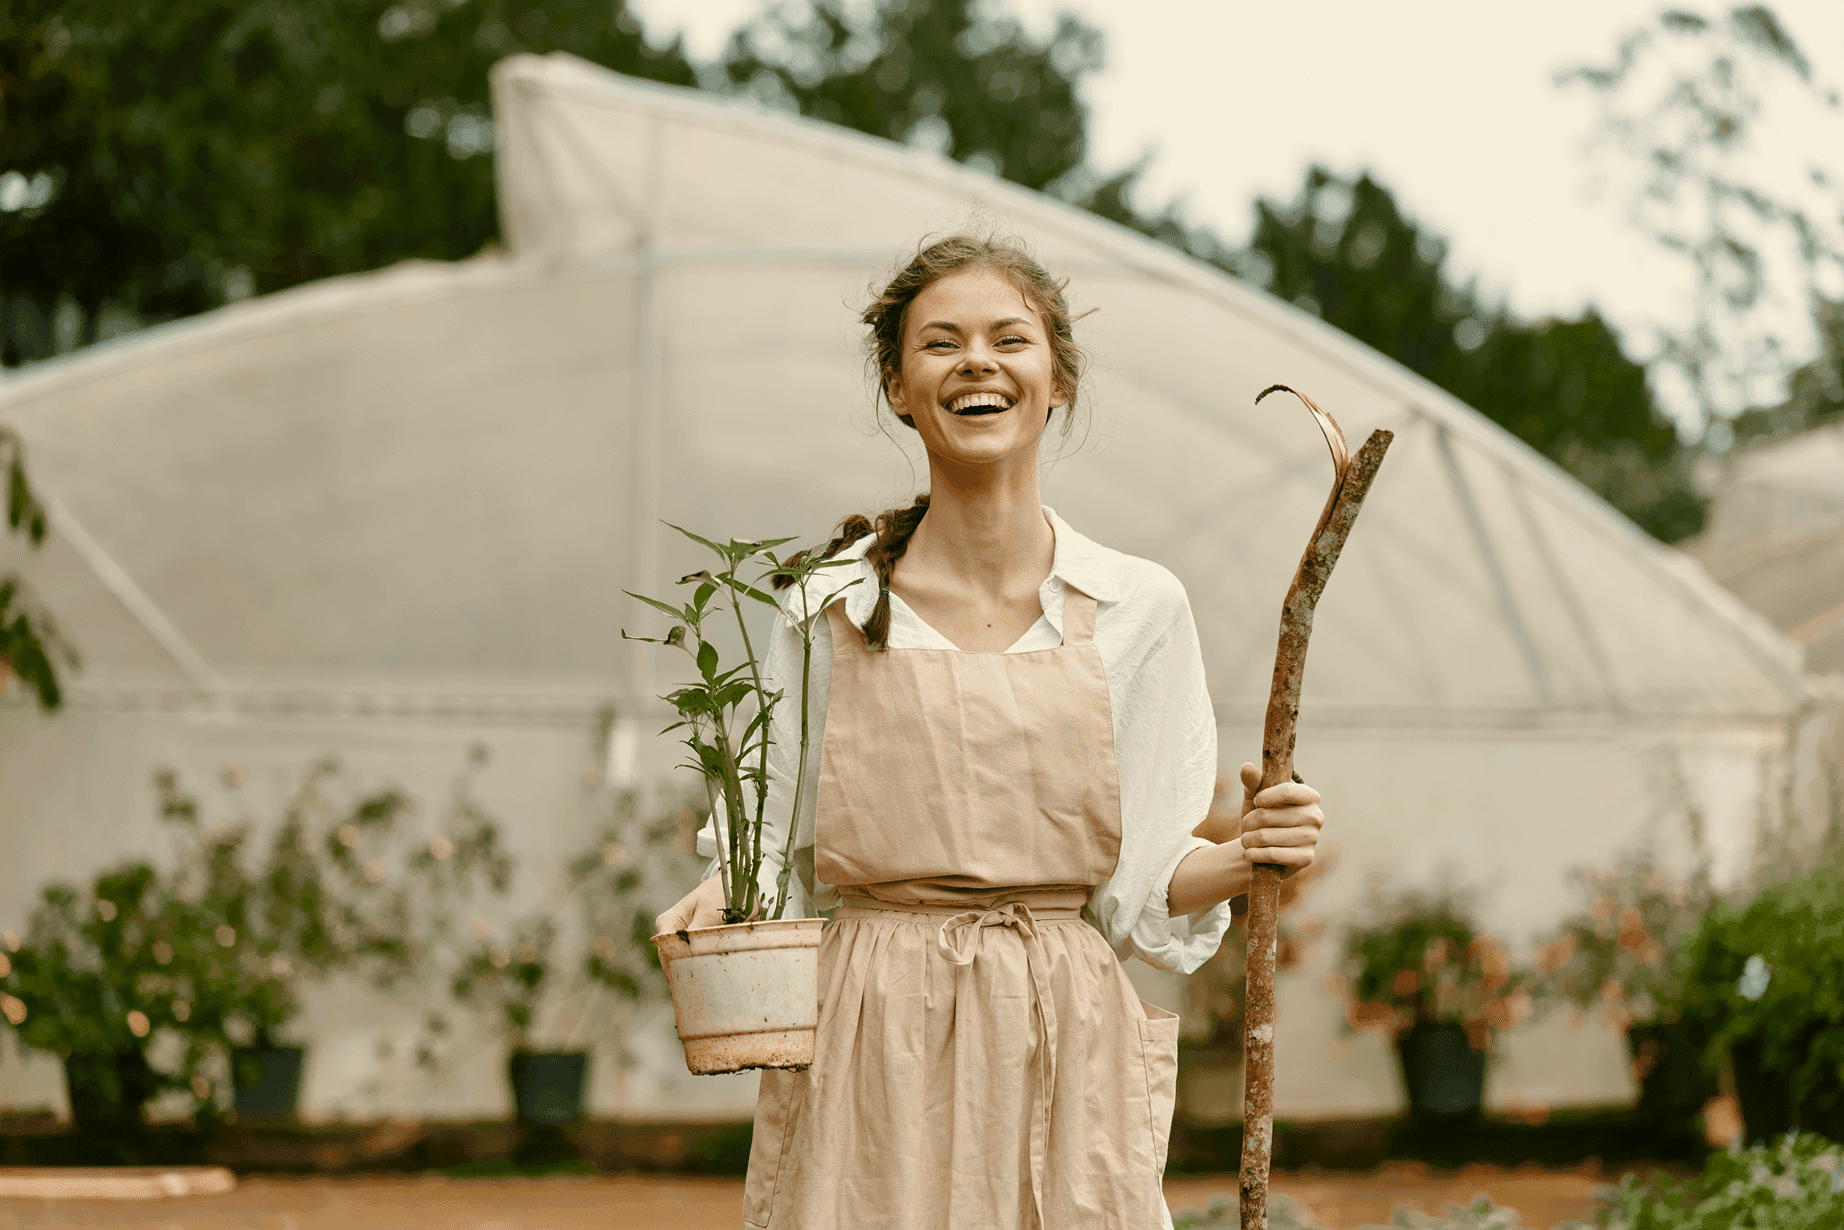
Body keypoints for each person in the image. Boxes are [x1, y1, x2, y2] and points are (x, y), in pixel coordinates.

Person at [655, 234, 1325, 1230]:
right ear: (897, 385)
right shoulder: (825, 607)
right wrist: (722, 894)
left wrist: (1250, 855)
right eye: (940, 343)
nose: (976, 361)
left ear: (1055, 379)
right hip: (872, 1031)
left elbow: (1142, 881)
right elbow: (775, 849)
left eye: (1008, 338)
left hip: (1060, 1030)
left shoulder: (1136, 606)